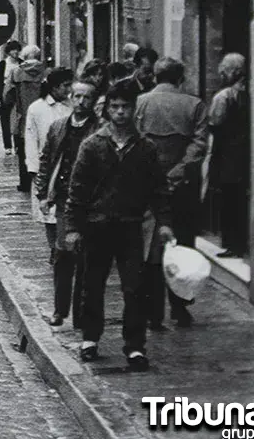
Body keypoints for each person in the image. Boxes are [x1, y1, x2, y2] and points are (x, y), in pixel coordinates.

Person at [65, 79, 174, 371]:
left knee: (134, 288)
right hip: (96, 226)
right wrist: (72, 228)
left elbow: (158, 189)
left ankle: (135, 346)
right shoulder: (93, 145)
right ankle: (90, 338)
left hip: (130, 226)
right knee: (92, 284)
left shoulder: (145, 148)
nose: (120, 112)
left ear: (134, 110)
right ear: (107, 110)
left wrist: (164, 223)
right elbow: (78, 190)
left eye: (125, 106)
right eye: (115, 106)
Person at [136, 57, 208, 329]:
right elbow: (199, 146)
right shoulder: (195, 104)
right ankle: (179, 308)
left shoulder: (141, 103)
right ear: (181, 79)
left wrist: (153, 176)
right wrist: (176, 173)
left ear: (155, 77)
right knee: (182, 247)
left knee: (152, 249)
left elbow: (134, 142)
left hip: (147, 188)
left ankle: (153, 313)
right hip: (183, 188)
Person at [36, 81, 100, 327]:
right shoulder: (58, 127)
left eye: (87, 97)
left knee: (86, 258)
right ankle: (59, 310)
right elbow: (46, 161)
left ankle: (81, 314)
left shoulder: (99, 130)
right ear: (71, 98)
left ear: (93, 102)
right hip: (65, 200)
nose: (81, 101)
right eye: (77, 96)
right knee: (63, 256)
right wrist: (43, 194)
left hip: (92, 203)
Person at [25, 67, 73, 259]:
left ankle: (64, 248)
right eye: (65, 85)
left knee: (64, 210)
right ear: (54, 87)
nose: (68, 90)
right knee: (47, 213)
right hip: (47, 166)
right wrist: (34, 168)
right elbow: (31, 138)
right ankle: (53, 247)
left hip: (68, 164)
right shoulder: (36, 108)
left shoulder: (72, 106)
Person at [208, 52, 249, 258]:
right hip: (245, 155)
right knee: (240, 199)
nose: (220, 73)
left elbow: (215, 124)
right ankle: (241, 242)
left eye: (223, 69)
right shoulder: (249, 92)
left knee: (230, 200)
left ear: (234, 71)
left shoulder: (224, 97)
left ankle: (233, 243)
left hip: (228, 156)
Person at [5, 44, 47, 192]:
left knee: (23, 150)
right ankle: (42, 181)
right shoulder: (45, 72)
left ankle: (25, 183)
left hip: (21, 116)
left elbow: (7, 96)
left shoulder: (16, 72)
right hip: (44, 116)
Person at [0, 40, 22, 156]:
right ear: (8, 52)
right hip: (5, 94)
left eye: (18, 50)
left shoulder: (22, 63)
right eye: (14, 50)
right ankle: (8, 146)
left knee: (18, 121)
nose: (16, 52)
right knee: (5, 121)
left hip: (18, 95)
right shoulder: (3, 64)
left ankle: (18, 145)